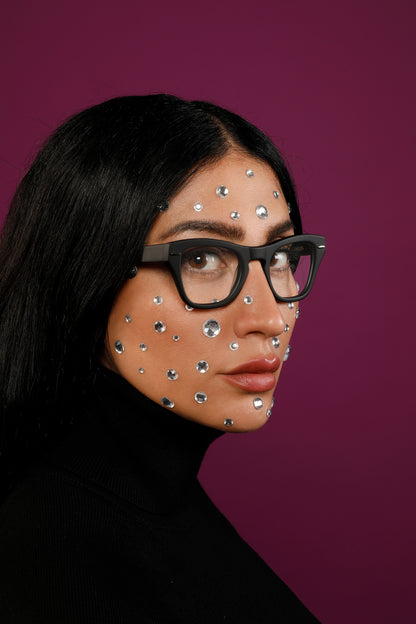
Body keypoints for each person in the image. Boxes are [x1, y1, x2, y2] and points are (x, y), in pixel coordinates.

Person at [0, 95, 325, 622]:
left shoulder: (154, 505)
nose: (269, 317)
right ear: (87, 276)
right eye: (201, 257)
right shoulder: (53, 556)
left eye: (282, 255)